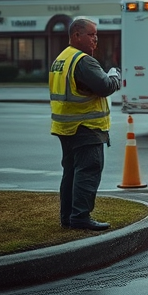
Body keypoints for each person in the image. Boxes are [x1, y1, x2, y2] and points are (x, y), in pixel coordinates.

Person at [50, 18, 122, 231]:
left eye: (96, 35)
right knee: (88, 170)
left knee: (71, 172)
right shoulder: (83, 61)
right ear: (76, 35)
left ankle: (68, 217)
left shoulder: (61, 59)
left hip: (66, 127)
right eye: (90, 35)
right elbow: (105, 86)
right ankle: (80, 217)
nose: (95, 39)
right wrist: (115, 75)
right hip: (86, 127)